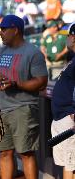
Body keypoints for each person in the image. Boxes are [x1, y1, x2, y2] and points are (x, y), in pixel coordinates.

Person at [0, 15, 48, 179]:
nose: (0, 33)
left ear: (16, 30)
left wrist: (16, 84)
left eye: (4, 29)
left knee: (26, 153)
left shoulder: (32, 52)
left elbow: (41, 82)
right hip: (1, 109)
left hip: (23, 108)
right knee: (5, 153)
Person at [51, 22, 75, 179]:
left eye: (67, 36)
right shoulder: (72, 59)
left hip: (70, 117)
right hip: (63, 117)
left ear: (73, 38)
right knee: (69, 164)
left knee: (71, 166)